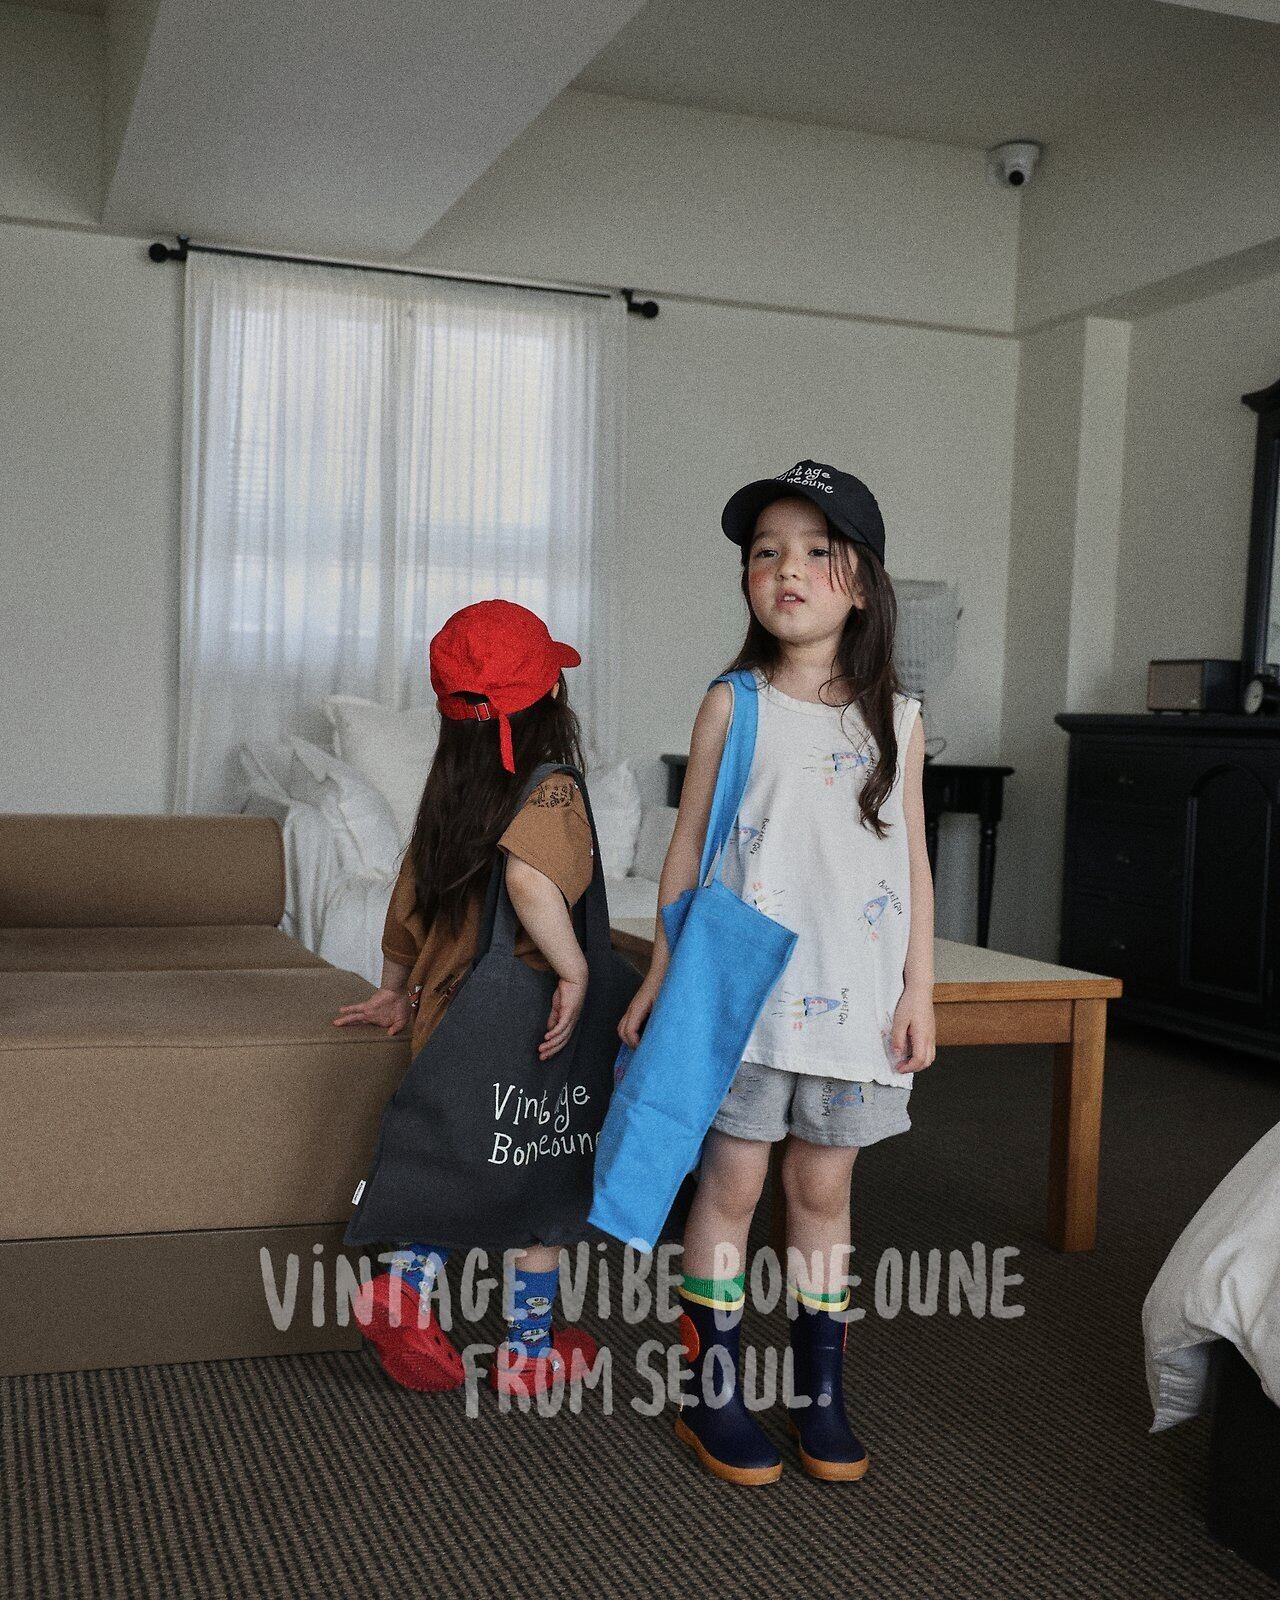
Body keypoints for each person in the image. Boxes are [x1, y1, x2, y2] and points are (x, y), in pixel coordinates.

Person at [618, 460, 937, 1485]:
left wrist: (918, 987)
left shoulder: (900, 718)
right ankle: (710, 1393)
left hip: (854, 1007)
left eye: (814, 551)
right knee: (732, 1182)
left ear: (863, 584)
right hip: (742, 1005)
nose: (786, 570)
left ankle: (820, 1395)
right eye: (765, 553)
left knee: (821, 1186)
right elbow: (687, 850)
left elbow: (912, 862)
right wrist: (662, 972)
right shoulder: (733, 703)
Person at [334, 598, 600, 1399]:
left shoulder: (449, 793)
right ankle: (528, 1351)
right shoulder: (551, 791)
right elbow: (529, 884)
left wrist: (393, 993)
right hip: (525, 1025)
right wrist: (574, 970)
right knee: (541, 1179)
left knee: (457, 1169)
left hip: (447, 1019)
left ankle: (405, 1286)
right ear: (550, 697)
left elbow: (407, 903)